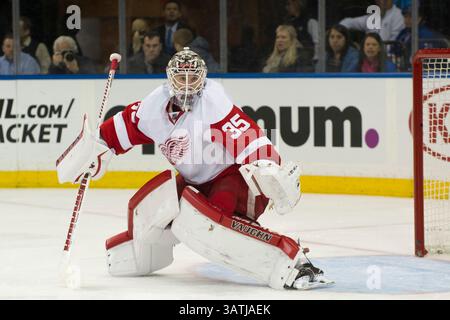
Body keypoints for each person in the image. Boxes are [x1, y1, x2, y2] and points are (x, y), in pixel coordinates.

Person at [56, 47, 333, 290]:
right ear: (169, 79)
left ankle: (290, 260)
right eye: (181, 77)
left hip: (233, 179)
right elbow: (117, 131)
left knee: (207, 224)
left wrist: (269, 166)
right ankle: (137, 254)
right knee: (152, 207)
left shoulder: (214, 104)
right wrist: (96, 149)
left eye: (193, 77)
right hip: (195, 182)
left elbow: (247, 136)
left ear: (203, 78)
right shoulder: (152, 108)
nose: (187, 84)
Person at [394, 5, 449, 71]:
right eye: (405, 17)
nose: (407, 20)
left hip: (426, 73)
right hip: (405, 70)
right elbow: (394, 50)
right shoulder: (404, 32)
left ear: (419, 18)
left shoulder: (428, 35)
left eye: (410, 17)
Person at [340, 0, 405, 42]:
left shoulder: (399, 15)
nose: (382, 1)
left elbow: (393, 43)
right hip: (369, 56)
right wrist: (337, 29)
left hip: (387, 57)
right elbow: (350, 22)